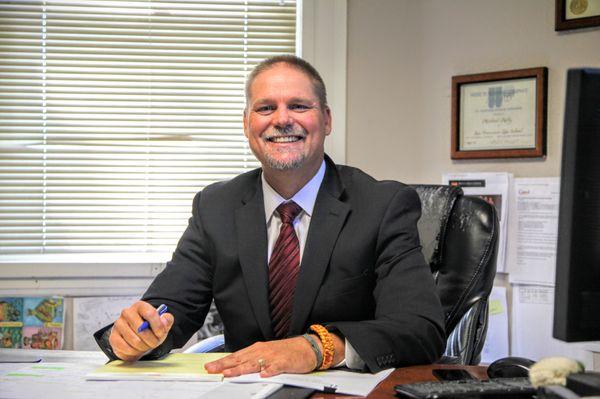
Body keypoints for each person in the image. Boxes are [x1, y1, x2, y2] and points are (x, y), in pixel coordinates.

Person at [94, 55, 445, 376]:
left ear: (326, 119)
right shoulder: (215, 206)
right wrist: (135, 335)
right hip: (243, 389)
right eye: (265, 108)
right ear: (248, 125)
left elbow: (419, 328)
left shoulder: (382, 205)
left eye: (298, 105)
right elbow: (170, 310)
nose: (282, 119)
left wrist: (318, 348)